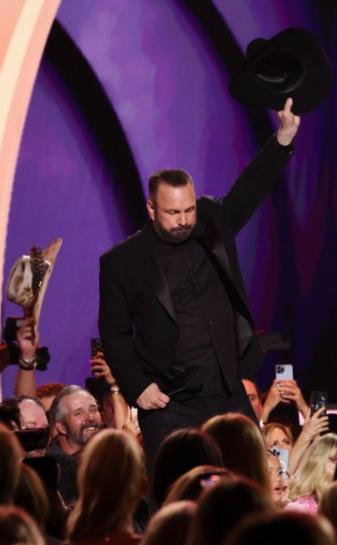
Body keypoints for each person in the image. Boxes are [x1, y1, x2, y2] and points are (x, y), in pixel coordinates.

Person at [99, 99, 301, 470]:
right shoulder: (122, 262)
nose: (183, 220)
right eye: (173, 213)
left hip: (226, 390)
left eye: (189, 210)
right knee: (176, 492)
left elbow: (248, 191)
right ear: (151, 208)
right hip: (169, 401)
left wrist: (283, 138)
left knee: (250, 481)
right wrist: (136, 386)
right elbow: (113, 332)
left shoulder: (210, 222)